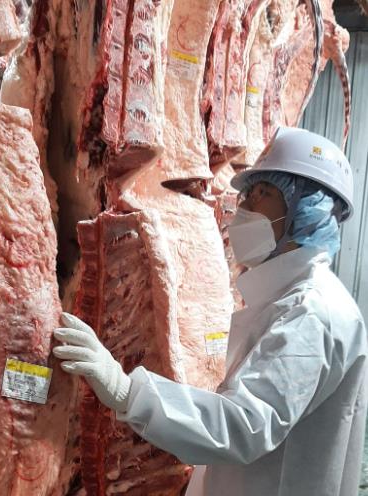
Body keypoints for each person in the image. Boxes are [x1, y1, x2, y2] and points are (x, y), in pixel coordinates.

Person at [53, 127, 368, 496]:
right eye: (248, 194)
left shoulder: (314, 314)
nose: (244, 208)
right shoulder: (289, 298)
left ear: (307, 212)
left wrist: (127, 392)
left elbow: (243, 425)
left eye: (263, 194)